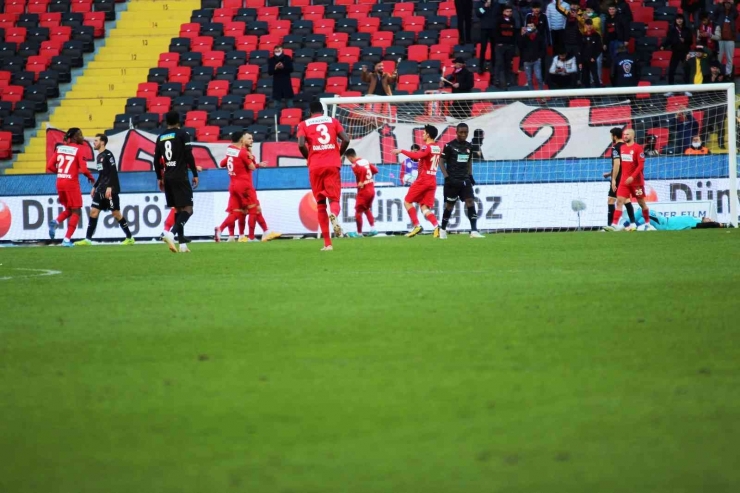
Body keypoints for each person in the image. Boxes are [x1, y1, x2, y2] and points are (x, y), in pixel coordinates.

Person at [297, 101, 351, 251]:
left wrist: (309, 158)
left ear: (310, 112)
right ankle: (334, 214)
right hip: (332, 164)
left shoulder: (304, 124)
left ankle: (327, 244)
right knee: (334, 199)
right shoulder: (332, 121)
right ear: (322, 111)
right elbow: (346, 139)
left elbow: (301, 144)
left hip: (315, 166)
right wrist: (337, 154)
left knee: (321, 203)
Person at [74, 133, 134, 246]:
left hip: (110, 190)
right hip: (101, 189)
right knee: (93, 211)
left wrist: (110, 187)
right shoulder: (99, 156)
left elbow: (113, 172)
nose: (94, 142)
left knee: (116, 214)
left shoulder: (108, 155)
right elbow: (102, 174)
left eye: (96, 140)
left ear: (102, 142)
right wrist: (95, 187)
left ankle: (130, 237)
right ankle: (87, 239)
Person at [153, 111, 199, 254]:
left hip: (168, 176)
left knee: (179, 209)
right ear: (179, 121)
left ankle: (182, 245)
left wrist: (159, 177)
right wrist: (195, 173)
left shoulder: (160, 137)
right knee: (188, 209)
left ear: (166, 122)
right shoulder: (182, 134)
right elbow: (188, 155)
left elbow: (156, 160)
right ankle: (171, 234)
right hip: (180, 176)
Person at [46, 127, 95, 247]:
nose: (82, 137)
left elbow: (50, 166)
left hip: (60, 182)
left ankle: (56, 221)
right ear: (74, 137)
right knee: (77, 210)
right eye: (80, 135)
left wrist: (61, 173)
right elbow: (83, 169)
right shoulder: (79, 149)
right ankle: (66, 240)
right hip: (71, 184)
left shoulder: (60, 148)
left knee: (70, 209)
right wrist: (91, 178)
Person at [391, 125, 442, 238]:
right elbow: (424, 161)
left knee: (407, 201)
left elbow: (418, 155)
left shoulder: (426, 147)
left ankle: (416, 225)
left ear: (428, 135)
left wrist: (402, 151)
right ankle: (436, 227)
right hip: (432, 179)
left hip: (423, 180)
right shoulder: (438, 148)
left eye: (424, 133)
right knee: (424, 207)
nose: (423, 134)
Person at [438, 123, 484, 239]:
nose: (463, 134)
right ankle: (443, 229)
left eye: (465, 132)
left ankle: (474, 231)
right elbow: (441, 162)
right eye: (461, 132)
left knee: (470, 201)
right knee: (449, 206)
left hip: (465, 180)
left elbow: (469, 161)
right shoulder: (449, 146)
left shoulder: (469, 146)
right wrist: (446, 177)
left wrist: (470, 176)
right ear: (456, 132)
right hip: (452, 181)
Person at [605, 128, 651, 231]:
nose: (625, 136)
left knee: (641, 203)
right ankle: (614, 224)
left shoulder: (638, 148)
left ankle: (648, 224)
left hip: (636, 181)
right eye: (624, 134)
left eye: (627, 134)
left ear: (632, 136)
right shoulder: (622, 148)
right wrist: (611, 174)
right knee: (619, 201)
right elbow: (619, 164)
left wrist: (632, 177)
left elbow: (640, 165)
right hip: (623, 181)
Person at [602, 127, 636, 228]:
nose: (611, 137)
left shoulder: (615, 148)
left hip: (618, 178)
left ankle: (611, 225)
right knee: (624, 200)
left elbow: (617, 164)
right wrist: (609, 173)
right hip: (627, 176)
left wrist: (613, 179)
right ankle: (633, 223)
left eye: (611, 135)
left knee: (612, 200)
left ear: (615, 136)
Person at [345, 149, 379, 238]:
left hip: (364, 191)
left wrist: (362, 181)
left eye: (348, 159)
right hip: (371, 189)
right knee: (366, 209)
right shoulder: (365, 161)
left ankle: (359, 233)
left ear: (350, 157)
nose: (349, 161)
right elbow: (375, 170)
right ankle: (373, 229)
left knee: (358, 211)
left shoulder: (355, 164)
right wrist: (367, 179)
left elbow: (363, 170)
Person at [702, 62, 727, 148]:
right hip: (709, 102)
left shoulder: (723, 77)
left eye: (716, 68)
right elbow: (704, 87)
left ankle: (721, 143)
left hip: (720, 103)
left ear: (718, 69)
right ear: (710, 68)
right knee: (706, 123)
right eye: (713, 67)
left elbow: (727, 87)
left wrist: (718, 80)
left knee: (720, 124)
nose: (714, 69)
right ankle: (703, 142)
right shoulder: (706, 77)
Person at [493, 5, 517, 89]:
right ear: (503, 12)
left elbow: (514, 33)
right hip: (501, 45)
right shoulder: (498, 20)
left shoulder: (513, 20)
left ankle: (508, 81)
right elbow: (495, 32)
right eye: (507, 11)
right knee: (499, 63)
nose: (509, 13)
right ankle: (496, 80)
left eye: (510, 11)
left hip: (509, 45)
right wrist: (499, 42)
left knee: (508, 64)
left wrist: (512, 44)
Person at [519, 20, 546, 90]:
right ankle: (532, 95)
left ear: (534, 27)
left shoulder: (539, 36)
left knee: (539, 77)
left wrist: (539, 57)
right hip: (527, 61)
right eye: (528, 26)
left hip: (536, 60)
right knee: (529, 79)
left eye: (531, 26)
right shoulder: (524, 37)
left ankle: (541, 94)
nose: (530, 27)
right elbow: (520, 47)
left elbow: (543, 48)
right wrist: (522, 35)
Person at [713, 0, 736, 77]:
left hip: (730, 39)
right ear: (724, 4)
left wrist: (733, 4)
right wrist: (719, 3)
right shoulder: (720, 13)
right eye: (726, 3)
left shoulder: (733, 13)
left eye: (729, 3)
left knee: (729, 58)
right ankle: (718, 73)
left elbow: (736, 13)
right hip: (720, 38)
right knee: (719, 57)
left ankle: (728, 74)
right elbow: (714, 13)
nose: (727, 5)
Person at [476, 0, 498, 75]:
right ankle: (481, 67)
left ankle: (494, 67)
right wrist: (484, 7)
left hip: (494, 29)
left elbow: (498, 14)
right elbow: (478, 14)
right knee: (483, 48)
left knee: (494, 49)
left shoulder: (495, 3)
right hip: (484, 29)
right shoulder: (480, 3)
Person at [580, 19, 602, 88]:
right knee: (586, 78)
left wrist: (594, 57)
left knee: (595, 77)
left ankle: (598, 96)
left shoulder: (596, 35)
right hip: (584, 60)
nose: (589, 26)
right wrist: (580, 61)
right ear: (585, 25)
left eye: (590, 24)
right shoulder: (583, 35)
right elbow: (581, 49)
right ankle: (588, 96)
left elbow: (599, 48)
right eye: (587, 25)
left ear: (592, 25)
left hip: (592, 60)